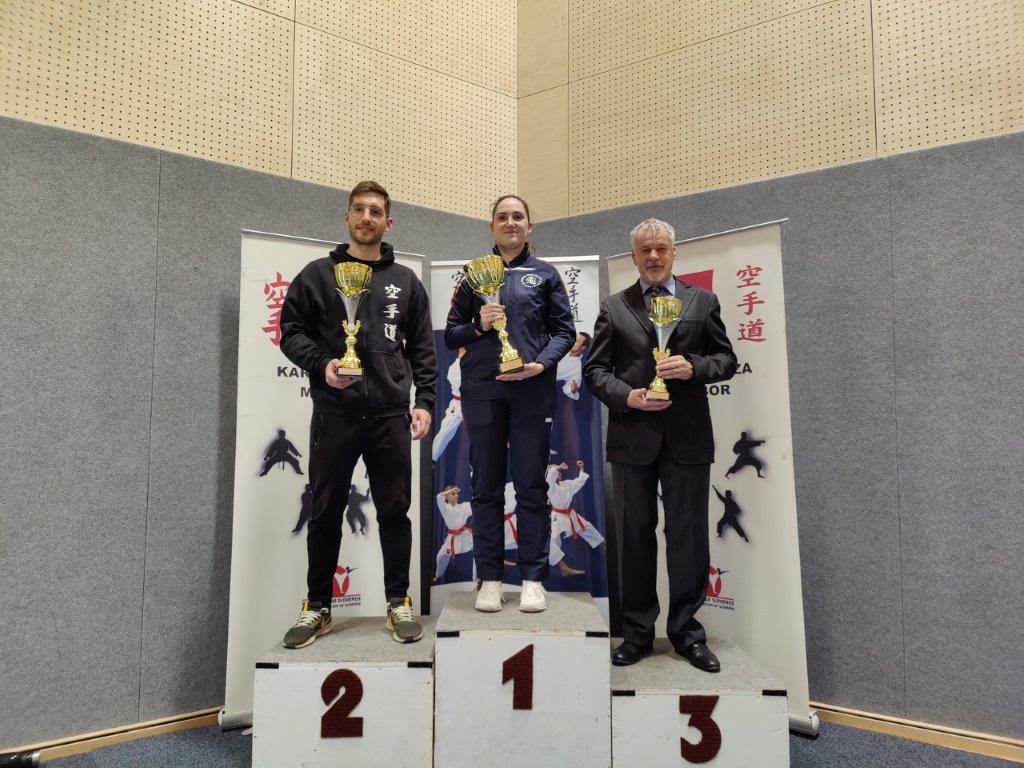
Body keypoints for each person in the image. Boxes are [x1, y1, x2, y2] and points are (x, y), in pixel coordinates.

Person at [278, 180, 437, 647]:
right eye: (359, 210)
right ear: (346, 217)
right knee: (324, 512)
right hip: (336, 414)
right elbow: (291, 331)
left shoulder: (406, 281)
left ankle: (398, 602)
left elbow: (423, 348)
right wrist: (322, 364)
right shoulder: (316, 275)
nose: (367, 218)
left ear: (389, 222)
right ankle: (317, 607)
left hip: (390, 415)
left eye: (376, 211)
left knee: (395, 512)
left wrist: (425, 401)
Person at [583, 217, 737, 670]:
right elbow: (595, 371)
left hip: (688, 437)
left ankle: (687, 633)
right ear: (633, 257)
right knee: (633, 536)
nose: (653, 256)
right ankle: (636, 634)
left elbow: (726, 360)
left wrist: (693, 367)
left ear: (674, 252)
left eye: (661, 248)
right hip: (632, 437)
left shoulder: (702, 301)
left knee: (688, 536)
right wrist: (626, 396)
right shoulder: (614, 307)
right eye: (645, 250)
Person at [444, 194, 576, 613]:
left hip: (530, 391)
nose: (510, 222)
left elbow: (565, 332)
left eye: (518, 216)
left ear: (529, 226)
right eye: (502, 217)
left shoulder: (545, 274)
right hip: (483, 391)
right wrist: (477, 324)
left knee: (531, 486)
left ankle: (534, 578)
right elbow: (450, 334)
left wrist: (542, 364)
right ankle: (490, 579)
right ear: (492, 227)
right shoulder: (471, 276)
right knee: (485, 487)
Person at [547, 459, 603, 575]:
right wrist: (558, 467)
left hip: (570, 514)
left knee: (586, 526)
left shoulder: (567, 484)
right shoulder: (549, 486)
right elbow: (550, 476)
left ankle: (603, 543)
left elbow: (579, 482)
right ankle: (563, 568)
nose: (560, 473)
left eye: (560, 472)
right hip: (557, 516)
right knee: (552, 541)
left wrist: (581, 468)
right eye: (558, 472)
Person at [434, 486, 475, 582]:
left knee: (480, 548)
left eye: (456, 493)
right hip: (452, 538)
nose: (456, 495)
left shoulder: (464, 507)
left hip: (465, 536)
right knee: (440, 557)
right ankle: (438, 575)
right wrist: (451, 490)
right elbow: (439, 497)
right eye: (453, 493)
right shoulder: (444, 508)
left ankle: (479, 578)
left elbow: (476, 506)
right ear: (447, 496)